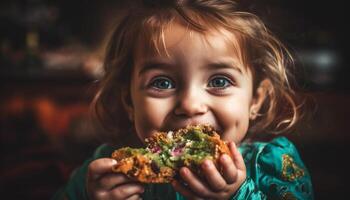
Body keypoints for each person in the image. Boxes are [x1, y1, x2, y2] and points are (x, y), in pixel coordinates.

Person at [53, 0, 313, 199]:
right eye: (162, 83)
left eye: (219, 81)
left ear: (256, 99)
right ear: (129, 102)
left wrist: (238, 195)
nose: (190, 104)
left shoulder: (272, 165)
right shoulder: (107, 170)